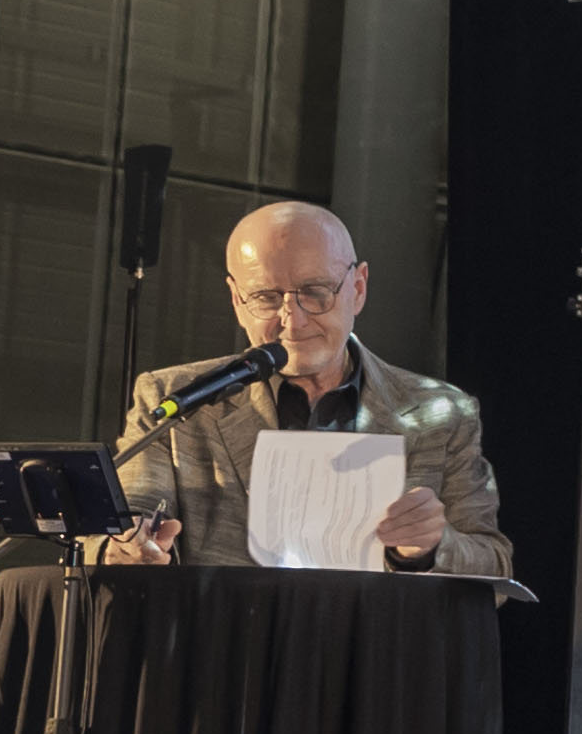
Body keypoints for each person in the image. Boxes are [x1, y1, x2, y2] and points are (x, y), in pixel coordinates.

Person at [107, 200, 507, 573]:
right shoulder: (175, 398)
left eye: (316, 293)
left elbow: (494, 568)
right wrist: (130, 548)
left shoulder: (443, 414)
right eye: (265, 297)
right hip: (223, 625)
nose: (293, 321)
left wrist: (430, 547)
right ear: (236, 300)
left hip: (372, 628)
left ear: (358, 289)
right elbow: (125, 525)